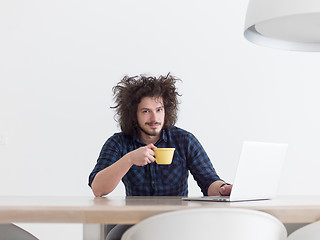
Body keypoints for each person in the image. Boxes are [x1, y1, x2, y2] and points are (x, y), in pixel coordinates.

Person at [88, 73, 232, 240]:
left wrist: (223, 189)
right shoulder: (118, 143)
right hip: (135, 221)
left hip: (177, 222)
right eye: (146, 111)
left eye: (159, 110)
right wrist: (129, 160)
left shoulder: (184, 140)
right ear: (133, 115)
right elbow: (98, 189)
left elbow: (209, 182)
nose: (154, 118)